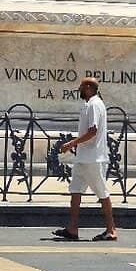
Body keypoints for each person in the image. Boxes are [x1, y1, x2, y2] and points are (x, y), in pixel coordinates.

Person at [53, 77, 118, 241]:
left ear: (88, 87)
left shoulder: (95, 105)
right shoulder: (88, 104)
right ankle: (72, 228)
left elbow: (92, 130)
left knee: (102, 193)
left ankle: (111, 230)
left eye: (82, 85)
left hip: (93, 159)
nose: (79, 88)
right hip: (83, 157)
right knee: (75, 191)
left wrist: (72, 143)